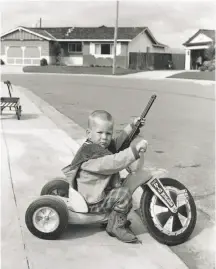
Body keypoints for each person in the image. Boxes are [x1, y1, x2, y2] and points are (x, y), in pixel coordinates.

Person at [63, 110, 148, 243]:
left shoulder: (96, 146)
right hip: (92, 201)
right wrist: (134, 152)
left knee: (121, 185)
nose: (104, 137)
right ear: (89, 133)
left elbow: (118, 143)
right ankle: (115, 226)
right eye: (100, 133)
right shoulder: (91, 156)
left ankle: (113, 218)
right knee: (123, 195)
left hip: (95, 191)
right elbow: (113, 162)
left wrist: (133, 126)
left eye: (108, 133)